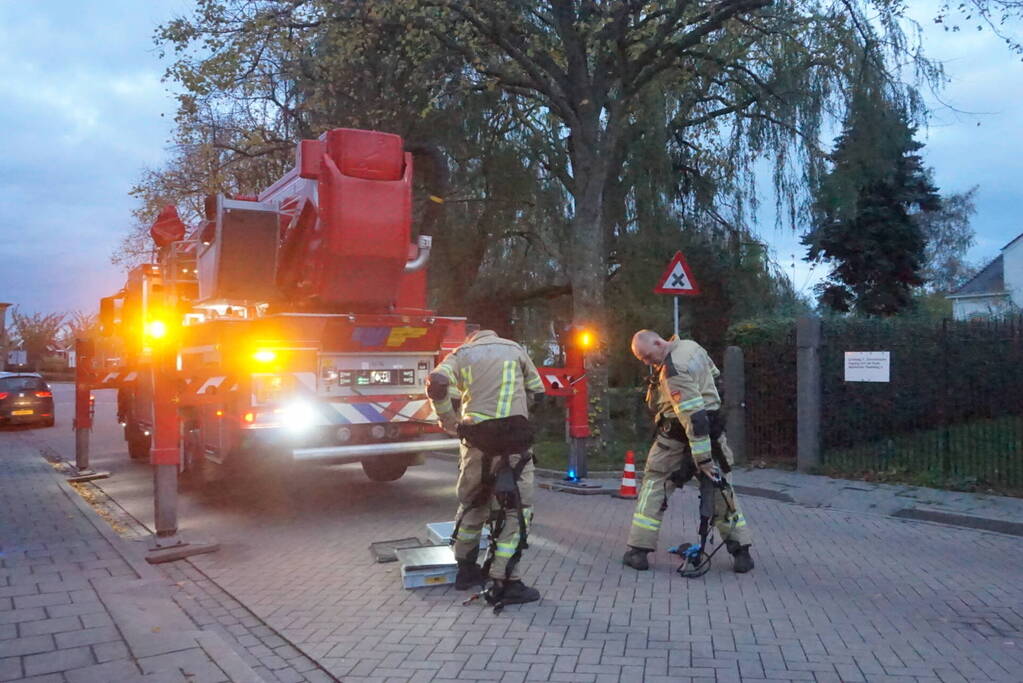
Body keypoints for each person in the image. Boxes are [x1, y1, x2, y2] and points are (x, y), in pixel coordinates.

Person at [426, 329, 546, 606]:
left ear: (471, 338)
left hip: (477, 444)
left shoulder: (461, 354)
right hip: (515, 447)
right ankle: (506, 581)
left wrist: (449, 422)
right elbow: (538, 392)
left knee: (473, 504)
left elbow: (437, 382)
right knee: (516, 510)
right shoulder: (515, 349)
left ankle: (466, 570)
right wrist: (522, 416)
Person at [622, 329, 754, 573]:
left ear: (658, 342)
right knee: (722, 492)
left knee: (655, 487)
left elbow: (694, 418)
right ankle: (741, 552)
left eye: (648, 356)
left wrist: (703, 459)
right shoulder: (692, 348)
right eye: (643, 360)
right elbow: (715, 378)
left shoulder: (673, 370)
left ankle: (638, 552)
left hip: (676, 440)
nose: (648, 362)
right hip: (713, 436)